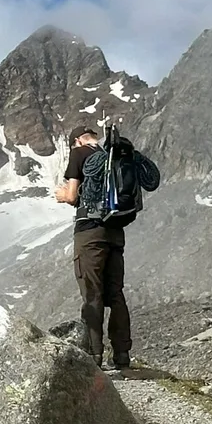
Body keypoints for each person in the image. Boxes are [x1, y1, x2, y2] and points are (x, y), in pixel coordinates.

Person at [56, 124, 132, 370]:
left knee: (92, 293)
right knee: (115, 294)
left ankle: (94, 356)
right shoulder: (111, 156)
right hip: (115, 231)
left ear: (77, 140)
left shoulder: (80, 154)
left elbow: (72, 195)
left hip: (89, 232)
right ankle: (122, 354)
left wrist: (61, 195)